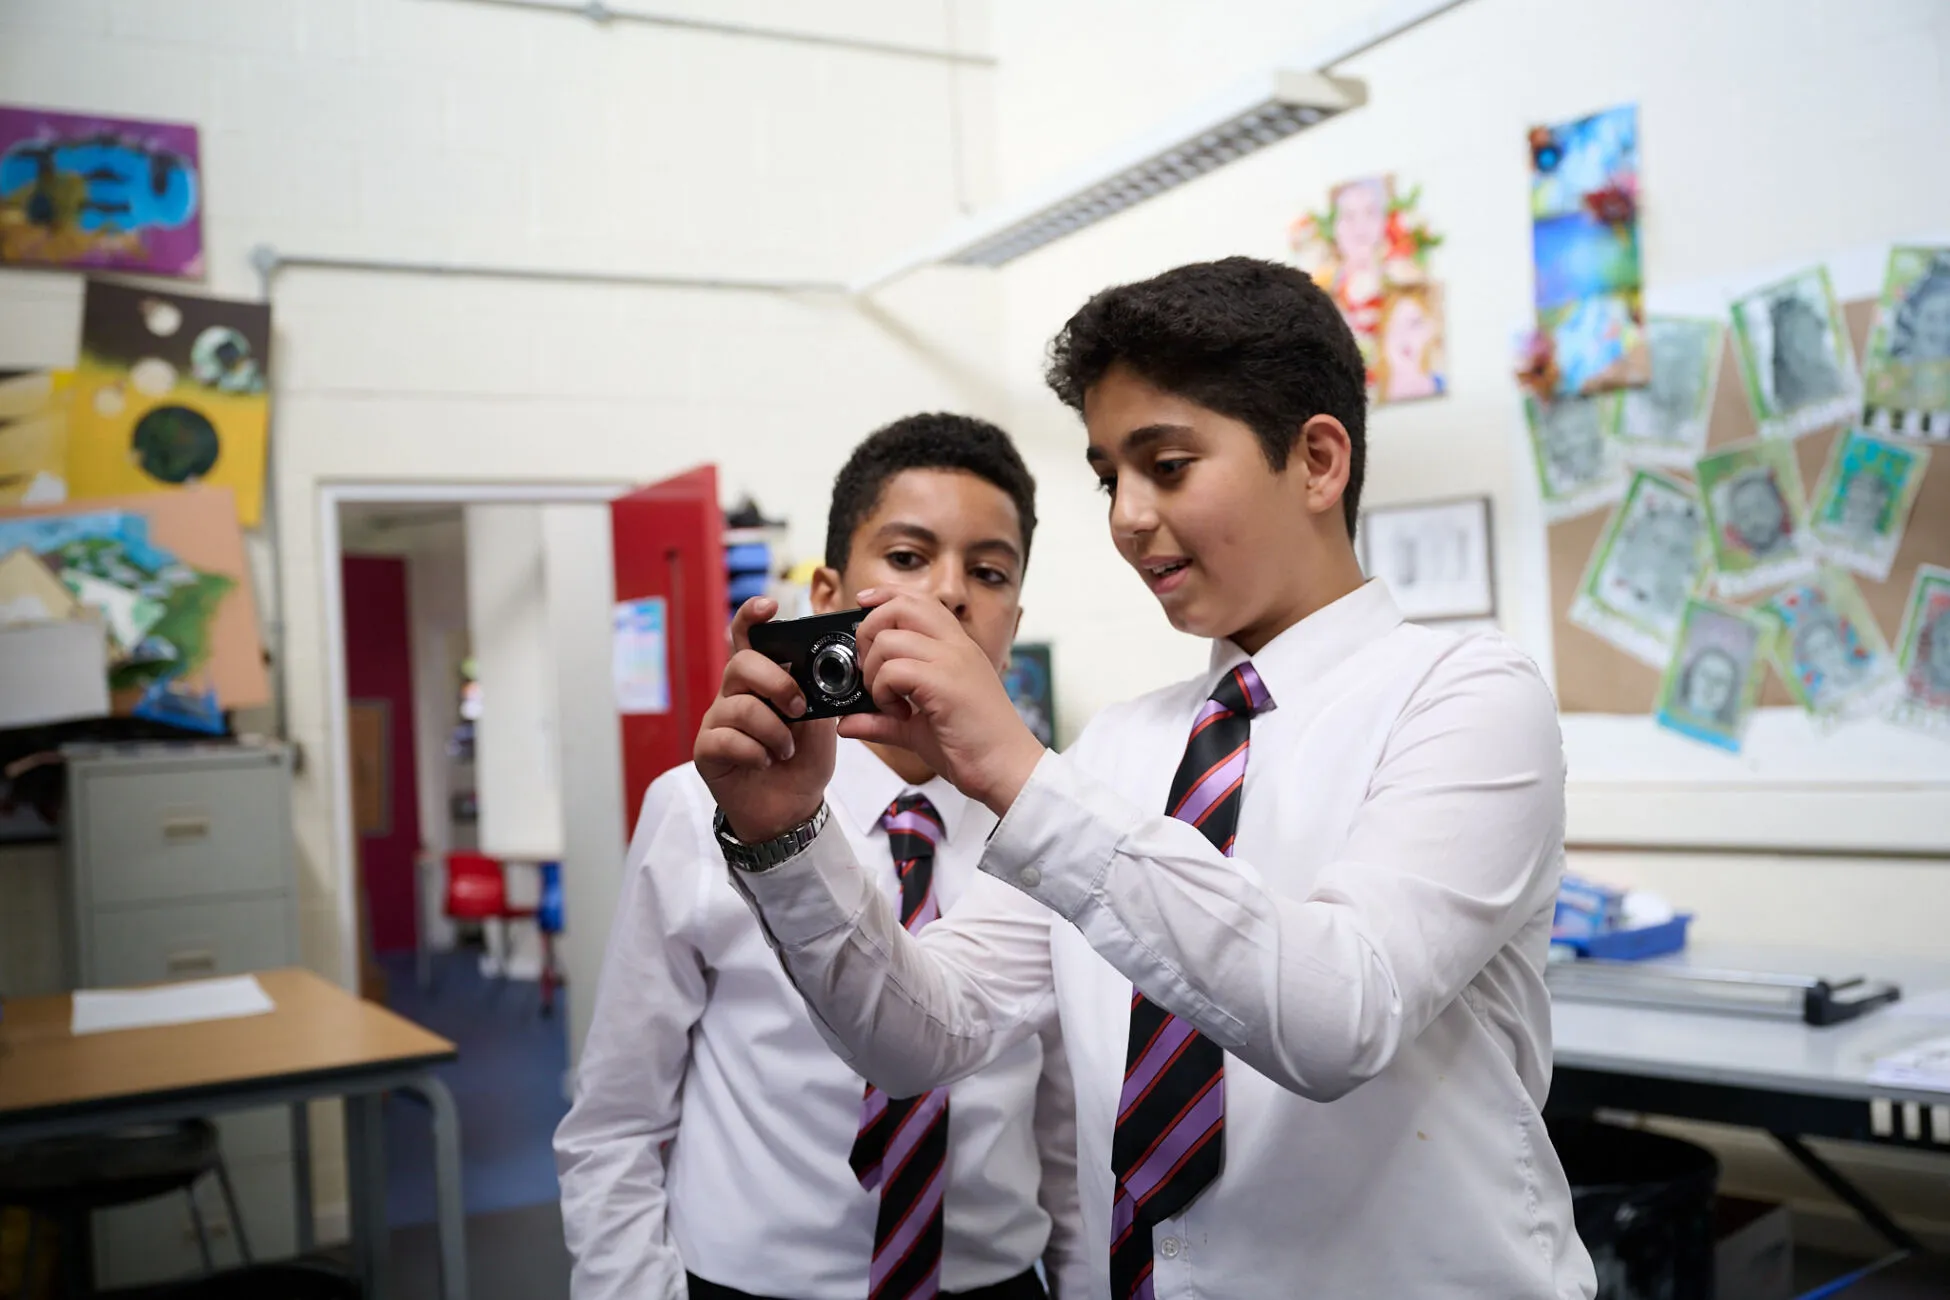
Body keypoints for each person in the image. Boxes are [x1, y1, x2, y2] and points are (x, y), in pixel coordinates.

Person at [699, 257, 1596, 1298]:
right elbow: (923, 1036)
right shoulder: (1121, 750)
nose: (1125, 516)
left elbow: (1341, 1012)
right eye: (1107, 476)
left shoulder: (1469, 698)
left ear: (1316, 460)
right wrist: (786, 837)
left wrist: (1021, 776)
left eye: (1165, 465)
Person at [556, 414, 1086, 1300]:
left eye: (989, 572)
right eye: (909, 558)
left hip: (991, 1283)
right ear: (831, 589)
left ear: (1014, 618)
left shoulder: (1052, 819)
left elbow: (1070, 1118)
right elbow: (615, 1119)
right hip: (750, 1283)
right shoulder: (704, 805)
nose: (951, 595)